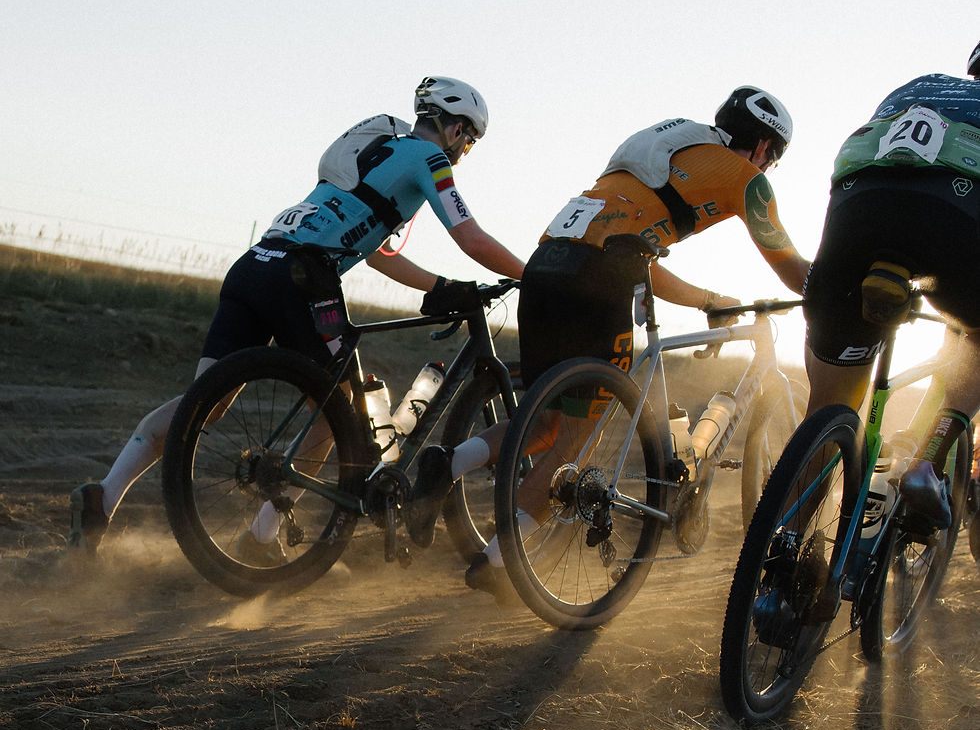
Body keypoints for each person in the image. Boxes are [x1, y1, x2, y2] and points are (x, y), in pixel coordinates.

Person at [68, 76, 525, 557]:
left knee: (203, 402)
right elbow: (470, 237)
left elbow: (379, 255)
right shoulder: (428, 159)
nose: (465, 151)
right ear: (455, 129)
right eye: (470, 142)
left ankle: (104, 494)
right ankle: (259, 539)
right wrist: (531, 274)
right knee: (337, 418)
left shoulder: (382, 150)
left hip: (256, 264)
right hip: (304, 278)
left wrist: (441, 286)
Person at [403, 86, 811, 592]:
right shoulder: (744, 176)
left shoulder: (668, 143)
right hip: (597, 280)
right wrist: (828, 292)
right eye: (772, 157)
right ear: (764, 148)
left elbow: (627, 253)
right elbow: (789, 265)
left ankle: (449, 463)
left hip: (546, 267)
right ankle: (501, 565)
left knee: (545, 420)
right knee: (575, 440)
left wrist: (709, 300)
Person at [802, 42, 980, 528]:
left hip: (859, 212)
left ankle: (781, 558)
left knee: (829, 410)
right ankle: (929, 460)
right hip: (959, 217)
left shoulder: (923, 84)